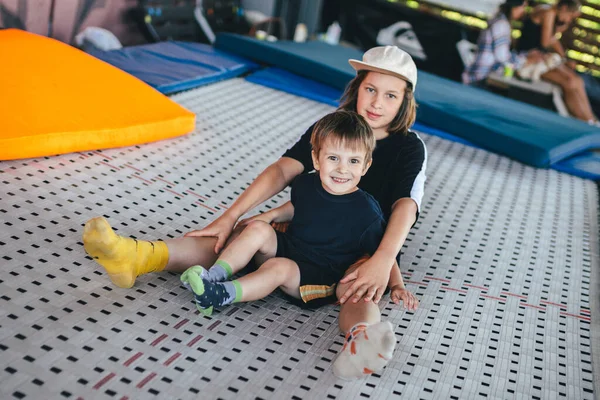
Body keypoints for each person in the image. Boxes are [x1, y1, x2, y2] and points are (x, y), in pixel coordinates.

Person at [83, 45, 427, 378]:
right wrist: (231, 216)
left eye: (390, 95)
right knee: (241, 234)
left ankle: (360, 343)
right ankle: (139, 255)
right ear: (357, 87)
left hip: (364, 246)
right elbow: (283, 171)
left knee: (357, 287)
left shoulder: (409, 147)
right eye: (371, 89)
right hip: (305, 231)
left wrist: (383, 260)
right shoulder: (335, 125)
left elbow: (405, 206)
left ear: (405, 101)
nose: (377, 103)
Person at [176, 110, 417, 378]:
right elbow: (298, 206)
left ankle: (220, 296)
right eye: (333, 158)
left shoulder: (367, 213)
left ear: (365, 166)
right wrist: (269, 215)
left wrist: (397, 285)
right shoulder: (307, 183)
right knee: (257, 228)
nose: (342, 169)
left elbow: (384, 253)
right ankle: (214, 275)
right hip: (293, 247)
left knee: (278, 267)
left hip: (318, 275)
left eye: (353, 161)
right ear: (316, 158)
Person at [516, 0, 598, 123]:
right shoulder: (548, 12)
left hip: (540, 58)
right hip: (528, 61)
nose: (569, 20)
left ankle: (591, 120)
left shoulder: (551, 13)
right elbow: (546, 42)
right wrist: (562, 27)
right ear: (564, 8)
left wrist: (564, 59)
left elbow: (552, 40)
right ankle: (586, 121)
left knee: (577, 81)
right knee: (569, 82)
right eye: (570, 16)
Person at [462, 0, 537, 86]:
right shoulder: (501, 24)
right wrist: (526, 59)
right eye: (523, 6)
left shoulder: (500, 21)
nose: (523, 11)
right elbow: (502, 57)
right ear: (514, 6)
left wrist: (526, 56)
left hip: (482, 76)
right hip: (481, 78)